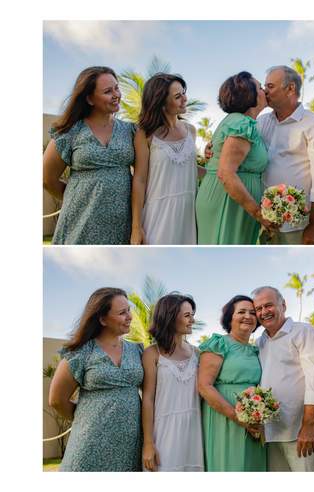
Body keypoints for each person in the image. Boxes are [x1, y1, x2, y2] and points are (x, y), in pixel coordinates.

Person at [47, 287, 142, 471]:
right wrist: (85, 417)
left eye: (129, 310)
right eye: (122, 312)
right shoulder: (81, 352)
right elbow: (56, 399)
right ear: (102, 319)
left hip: (131, 446)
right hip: (90, 444)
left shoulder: (137, 350)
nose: (129, 316)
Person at [42, 66, 139, 245]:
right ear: (89, 98)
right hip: (80, 220)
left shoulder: (131, 131)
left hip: (122, 224)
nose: (116, 94)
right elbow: (47, 179)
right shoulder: (69, 131)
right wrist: (76, 197)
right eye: (108, 91)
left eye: (116, 88)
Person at [251, 286, 314, 472]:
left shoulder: (304, 332)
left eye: (268, 305)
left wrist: (308, 426)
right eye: (259, 309)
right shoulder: (260, 342)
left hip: (300, 431)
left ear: (283, 305)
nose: (263, 312)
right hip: (271, 433)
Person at [258, 65, 314, 245]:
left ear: (290, 88)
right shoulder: (261, 122)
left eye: (270, 86)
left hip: (298, 226)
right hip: (264, 223)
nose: (264, 92)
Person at [196, 71, 273, 244]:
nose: (265, 91)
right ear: (250, 96)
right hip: (229, 203)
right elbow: (226, 173)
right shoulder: (242, 124)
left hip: (231, 201)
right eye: (260, 87)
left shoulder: (237, 121)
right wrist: (258, 214)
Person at [197, 295, 267, 471]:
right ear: (230, 317)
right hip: (225, 417)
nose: (248, 316)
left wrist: (257, 416)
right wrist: (238, 418)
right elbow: (204, 386)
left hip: (253, 418)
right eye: (241, 312)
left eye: (252, 312)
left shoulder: (256, 350)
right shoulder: (219, 344)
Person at [133, 73, 199, 245]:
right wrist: (136, 227)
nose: (185, 99)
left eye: (183, 93)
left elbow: (191, 168)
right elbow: (139, 180)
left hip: (189, 213)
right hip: (158, 214)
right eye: (178, 96)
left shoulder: (191, 130)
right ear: (161, 104)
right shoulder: (145, 135)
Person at [140, 293, 203, 471]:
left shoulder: (197, 353)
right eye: (187, 315)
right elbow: (148, 399)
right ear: (170, 317)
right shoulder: (152, 354)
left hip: (193, 432)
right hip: (163, 433)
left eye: (192, 315)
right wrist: (148, 443)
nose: (192, 320)